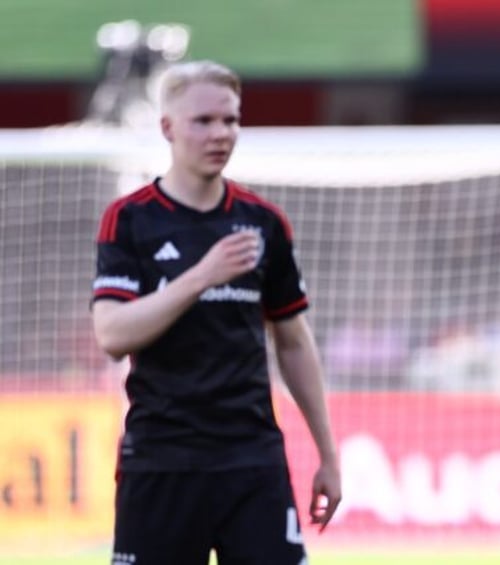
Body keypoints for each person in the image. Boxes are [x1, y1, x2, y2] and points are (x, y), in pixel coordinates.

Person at [91, 60, 341, 565]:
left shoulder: (263, 222)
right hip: (161, 463)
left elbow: (293, 341)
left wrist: (328, 456)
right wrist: (202, 275)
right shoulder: (131, 219)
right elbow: (113, 333)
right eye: (203, 121)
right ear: (168, 128)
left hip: (252, 462)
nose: (220, 134)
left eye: (230, 120)